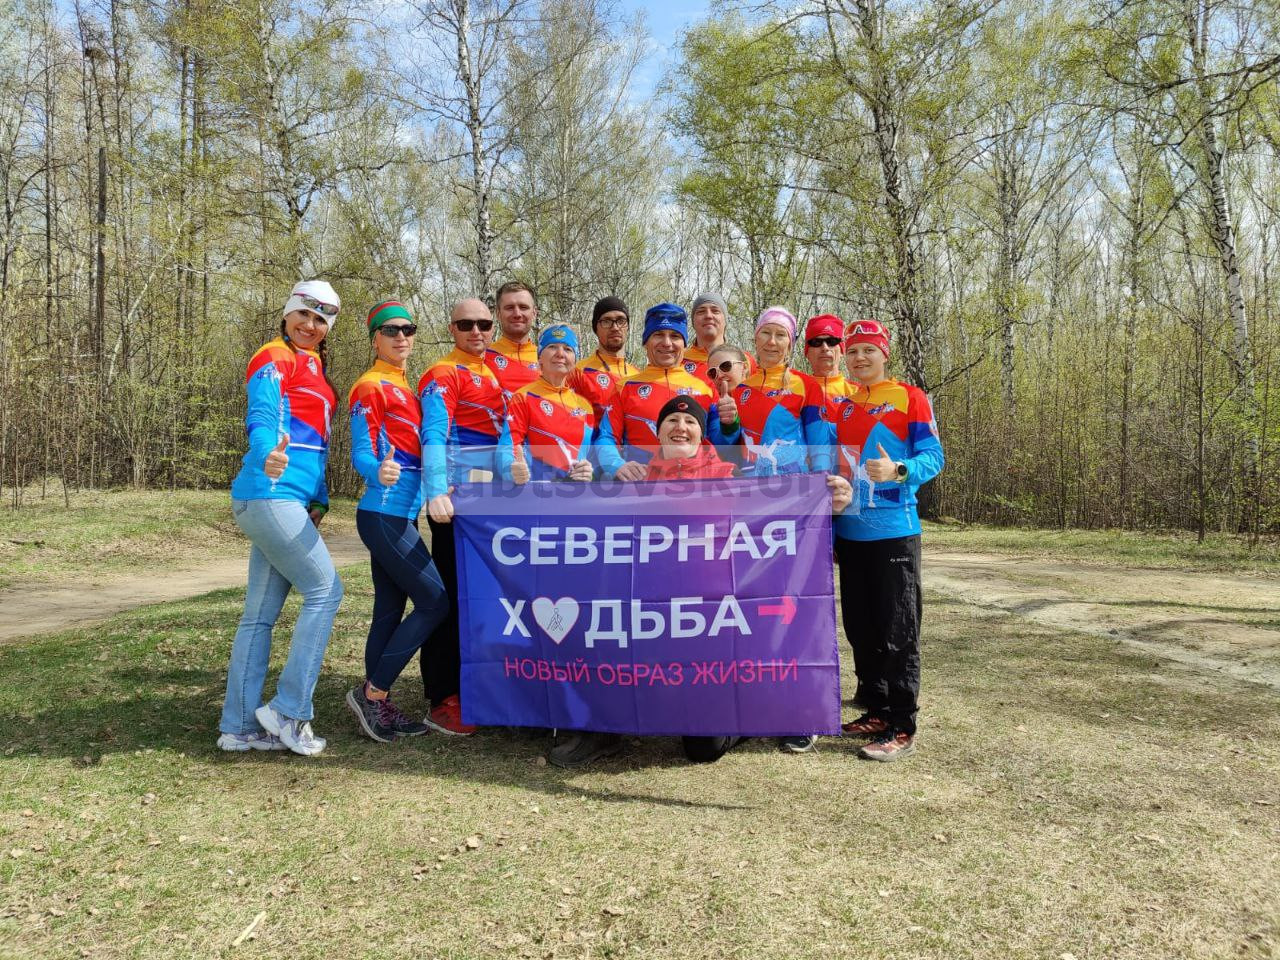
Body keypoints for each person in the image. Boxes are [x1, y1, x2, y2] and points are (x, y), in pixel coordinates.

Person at [645, 396, 852, 762]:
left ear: (701, 434)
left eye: (690, 422)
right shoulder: (634, 486)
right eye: (672, 421)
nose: (681, 428)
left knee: (703, 748)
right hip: (660, 624)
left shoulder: (731, 479)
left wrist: (827, 506)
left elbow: (779, 525)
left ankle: (770, 712)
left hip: (719, 624)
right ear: (657, 432)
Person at [218, 280, 344, 757]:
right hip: (270, 492)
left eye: (320, 319)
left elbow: (319, 444)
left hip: (287, 499)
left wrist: (320, 499)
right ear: (287, 314)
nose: (310, 325)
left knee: (259, 617)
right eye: (303, 314)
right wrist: (266, 452)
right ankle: (290, 712)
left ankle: (238, 727)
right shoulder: (273, 356)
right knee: (326, 591)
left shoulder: (315, 368)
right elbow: (263, 415)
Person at [832, 318, 944, 761]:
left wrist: (899, 469)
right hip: (850, 532)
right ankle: (877, 710)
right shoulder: (841, 406)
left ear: (884, 354)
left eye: (868, 350)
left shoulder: (910, 397)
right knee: (861, 627)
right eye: (853, 351)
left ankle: (902, 724)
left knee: (898, 630)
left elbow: (933, 456)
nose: (860, 358)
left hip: (895, 531)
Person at [345, 301, 450, 742]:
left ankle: (376, 704)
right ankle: (373, 692)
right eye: (391, 330)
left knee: (388, 610)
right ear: (375, 339)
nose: (401, 336)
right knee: (435, 602)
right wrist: (378, 471)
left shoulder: (406, 387)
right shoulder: (370, 385)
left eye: (408, 329)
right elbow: (361, 451)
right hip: (383, 512)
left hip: (400, 514)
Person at [416, 298, 506, 736]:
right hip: (454, 503)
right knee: (450, 599)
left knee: (481, 599)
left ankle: (476, 685)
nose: (476, 331)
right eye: (466, 324)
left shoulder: (493, 374)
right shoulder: (442, 372)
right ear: (451, 328)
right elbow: (433, 433)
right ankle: (442, 697)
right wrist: (435, 490)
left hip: (490, 503)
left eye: (484, 324)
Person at [595, 303, 738, 480]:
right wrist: (617, 465)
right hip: (643, 485)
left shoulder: (705, 388)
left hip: (694, 486)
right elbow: (606, 437)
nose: (667, 343)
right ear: (646, 342)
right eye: (658, 335)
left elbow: (722, 444)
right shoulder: (624, 387)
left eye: (675, 336)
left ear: (684, 344)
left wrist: (730, 424)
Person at [496, 324, 595, 483]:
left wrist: (588, 471)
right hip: (536, 492)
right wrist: (510, 470)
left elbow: (586, 457)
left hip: (574, 493)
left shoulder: (585, 407)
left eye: (568, 349)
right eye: (552, 346)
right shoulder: (523, 397)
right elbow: (507, 447)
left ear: (575, 360)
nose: (560, 354)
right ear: (539, 357)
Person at [743, 306, 828, 472]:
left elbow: (820, 446)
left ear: (790, 344)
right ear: (756, 338)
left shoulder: (806, 385)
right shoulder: (741, 388)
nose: (772, 341)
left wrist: (822, 479)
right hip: (750, 483)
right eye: (766, 332)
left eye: (781, 335)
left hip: (794, 484)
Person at [706, 343, 807, 478]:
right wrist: (729, 424)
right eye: (713, 372)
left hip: (789, 478)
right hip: (743, 484)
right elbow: (720, 446)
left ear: (744, 367)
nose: (719, 375)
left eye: (725, 366)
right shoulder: (715, 409)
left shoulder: (780, 396)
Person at [573, 296, 639, 433]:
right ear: (595, 328)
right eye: (606, 321)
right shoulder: (578, 372)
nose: (615, 327)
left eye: (621, 320)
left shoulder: (638, 375)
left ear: (628, 326)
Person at [803, 313, 858, 474]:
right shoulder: (796, 392)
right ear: (807, 352)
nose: (825, 347)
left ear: (841, 350)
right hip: (806, 479)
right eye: (816, 342)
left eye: (832, 341)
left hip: (850, 479)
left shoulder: (858, 393)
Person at [680, 292, 757, 383]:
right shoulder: (679, 359)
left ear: (725, 320)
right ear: (693, 321)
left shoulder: (745, 360)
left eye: (715, 311)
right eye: (701, 312)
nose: (708, 316)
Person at [485, 281, 540, 396]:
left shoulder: (548, 359)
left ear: (534, 313)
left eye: (523, 307)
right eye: (509, 308)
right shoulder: (482, 357)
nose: (517, 314)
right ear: (498, 313)